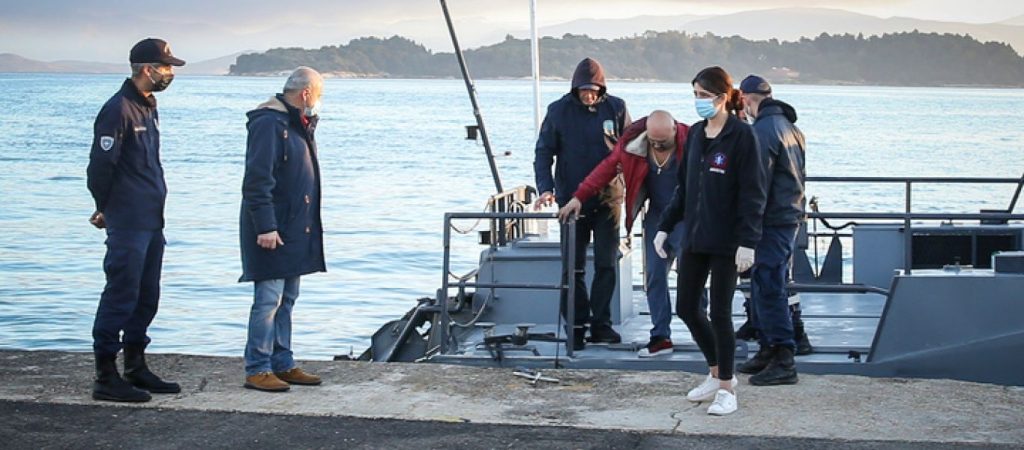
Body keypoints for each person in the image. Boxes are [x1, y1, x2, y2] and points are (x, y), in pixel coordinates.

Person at [655, 66, 767, 416]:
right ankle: (716, 372)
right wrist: (665, 225)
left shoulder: (742, 137)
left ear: (722, 97)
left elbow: (754, 194)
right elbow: (684, 188)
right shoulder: (697, 136)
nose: (699, 102)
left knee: (720, 313)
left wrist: (748, 242)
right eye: (695, 95)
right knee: (686, 307)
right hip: (696, 237)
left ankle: (727, 388)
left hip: (728, 242)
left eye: (704, 96)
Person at [86, 38, 185, 403]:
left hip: (151, 219)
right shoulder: (119, 109)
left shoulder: (147, 106)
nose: (170, 73)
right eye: (166, 67)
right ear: (147, 69)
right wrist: (103, 207)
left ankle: (136, 365)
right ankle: (106, 375)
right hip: (127, 220)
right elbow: (100, 166)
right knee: (121, 293)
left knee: (147, 295)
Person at [559, 110, 694, 358]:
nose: (657, 146)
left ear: (675, 130)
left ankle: (702, 329)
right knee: (654, 276)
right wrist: (578, 197)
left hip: (689, 219)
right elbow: (605, 170)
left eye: (663, 143)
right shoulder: (633, 147)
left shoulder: (693, 140)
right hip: (657, 218)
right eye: (653, 142)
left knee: (692, 277)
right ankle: (660, 336)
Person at [239, 67, 327, 392]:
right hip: (272, 230)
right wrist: (265, 226)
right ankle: (258, 367)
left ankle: (282, 361)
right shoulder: (269, 124)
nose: (318, 102)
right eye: (318, 95)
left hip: (294, 228)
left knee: (288, 298)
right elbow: (257, 180)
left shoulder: (297, 124)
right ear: (305, 93)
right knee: (268, 300)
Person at [534, 58, 630, 351]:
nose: (588, 95)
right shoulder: (558, 111)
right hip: (570, 201)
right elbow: (543, 152)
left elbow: (629, 150)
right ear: (574, 88)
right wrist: (546, 189)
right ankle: (576, 324)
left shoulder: (616, 107)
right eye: (583, 90)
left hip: (609, 199)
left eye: (593, 89)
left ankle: (601, 325)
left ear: (601, 88)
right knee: (572, 268)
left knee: (606, 264)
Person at [735, 75, 807, 386]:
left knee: (768, 286)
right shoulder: (791, 129)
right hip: (788, 215)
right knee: (769, 284)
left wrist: (745, 227)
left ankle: (783, 356)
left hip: (770, 221)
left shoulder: (762, 131)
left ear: (747, 99)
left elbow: (756, 184)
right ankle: (768, 348)